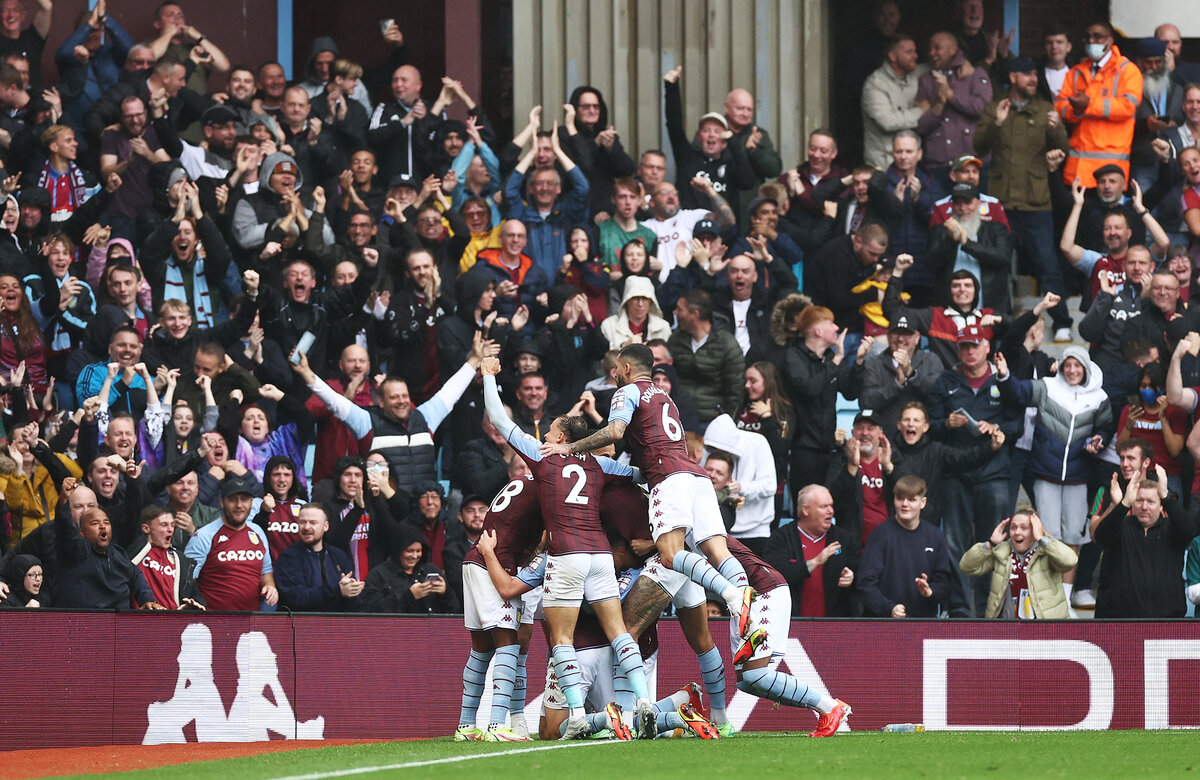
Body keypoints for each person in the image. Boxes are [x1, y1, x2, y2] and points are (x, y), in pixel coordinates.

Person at [480, 355, 656, 740]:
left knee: (562, 637)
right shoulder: (598, 463)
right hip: (600, 556)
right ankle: (643, 700)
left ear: (560, 437)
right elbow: (639, 474)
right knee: (619, 632)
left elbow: (498, 418)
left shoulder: (543, 457)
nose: (544, 437)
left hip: (568, 555)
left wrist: (489, 377)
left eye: (550, 432)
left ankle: (577, 712)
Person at [538, 344, 758, 650]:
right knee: (719, 553)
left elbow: (615, 432)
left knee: (670, 554)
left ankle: (733, 597)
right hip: (697, 477)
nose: (613, 375)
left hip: (669, 479)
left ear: (626, 368)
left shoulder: (627, 392)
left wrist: (570, 448)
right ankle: (748, 618)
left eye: (615, 369)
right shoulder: (666, 397)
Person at [293, 330, 486, 495]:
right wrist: (306, 373)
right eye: (394, 397)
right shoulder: (367, 422)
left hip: (423, 508)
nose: (401, 401)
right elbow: (335, 402)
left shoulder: (426, 417)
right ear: (381, 401)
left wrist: (475, 360)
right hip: (385, 512)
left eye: (404, 396)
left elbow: (451, 391)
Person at [994, 347, 1112, 607]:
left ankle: (1066, 601)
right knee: (1045, 537)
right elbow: (1018, 393)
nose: (1071, 370)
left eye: (1077, 366)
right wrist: (1004, 376)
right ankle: (1046, 599)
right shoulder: (1047, 387)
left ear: (1085, 368)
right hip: (1046, 472)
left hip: (1078, 475)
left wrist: (1099, 440)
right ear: (1061, 367)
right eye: (1067, 365)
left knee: (1072, 538)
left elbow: (1105, 426)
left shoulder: (1099, 396)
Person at [975, 56, 1071, 340]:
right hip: (1000, 202)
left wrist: (1056, 128)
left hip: (1036, 202)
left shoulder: (1044, 109)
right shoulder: (996, 108)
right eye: (1027, 75)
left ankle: (1062, 321)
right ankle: (998, 323)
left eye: (1034, 74)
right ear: (1013, 78)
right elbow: (979, 147)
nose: (1033, 79)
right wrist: (997, 123)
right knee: (997, 266)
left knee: (1047, 263)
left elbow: (1063, 149)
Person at [1093, 464, 1194, 618]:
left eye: (1151, 502)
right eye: (1139, 501)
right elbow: (1100, 536)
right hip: (1118, 622)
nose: (1144, 507)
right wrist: (1123, 504)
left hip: (1166, 621)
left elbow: (1188, 532)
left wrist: (1166, 497)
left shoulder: (1172, 528)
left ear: (1161, 506)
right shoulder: (1120, 526)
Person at [1054, 21, 1142, 187]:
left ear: (1109, 41)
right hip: (1077, 171)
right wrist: (1077, 111)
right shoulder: (1076, 72)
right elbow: (1059, 106)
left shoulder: (1127, 71)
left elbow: (1128, 106)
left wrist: (1088, 105)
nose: (1091, 41)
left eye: (1097, 37)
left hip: (1110, 173)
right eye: (1087, 38)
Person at [857, 475, 953, 618]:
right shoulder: (880, 534)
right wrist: (889, 608)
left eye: (912, 500)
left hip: (922, 625)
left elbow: (945, 585)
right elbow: (865, 585)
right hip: (882, 626)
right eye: (900, 498)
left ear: (923, 502)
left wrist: (930, 592)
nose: (905, 504)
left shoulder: (935, 536)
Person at [184, 473, 278, 611]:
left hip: (251, 622)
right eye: (233, 500)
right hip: (213, 622)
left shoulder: (257, 531)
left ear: (252, 502)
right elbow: (187, 580)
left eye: (244, 499)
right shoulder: (204, 536)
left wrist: (270, 586)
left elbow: (266, 571)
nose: (239, 505)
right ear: (222, 502)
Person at [960, 509, 1077, 619]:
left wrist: (1042, 538)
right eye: (1013, 527)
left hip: (1045, 630)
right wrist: (990, 544)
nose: (1017, 532)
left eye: (1024, 528)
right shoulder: (1001, 552)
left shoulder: (1046, 551)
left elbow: (1070, 561)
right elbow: (967, 567)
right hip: (1007, 630)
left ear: (1034, 530)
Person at [764, 484, 858, 617]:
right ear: (805, 510)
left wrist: (852, 577)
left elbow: (861, 577)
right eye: (823, 506)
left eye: (831, 505)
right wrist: (815, 562)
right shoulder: (781, 538)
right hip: (792, 624)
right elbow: (776, 577)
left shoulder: (844, 538)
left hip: (834, 626)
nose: (830, 511)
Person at [914, 31, 992, 180]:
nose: (932, 53)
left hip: (972, 164)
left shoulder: (975, 74)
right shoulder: (926, 80)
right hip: (939, 163)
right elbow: (920, 127)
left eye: (937, 48)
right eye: (930, 48)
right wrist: (940, 103)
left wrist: (950, 94)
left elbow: (982, 107)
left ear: (953, 50)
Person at [927, 183, 1015, 314]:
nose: (962, 208)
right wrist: (951, 240)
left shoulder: (996, 229)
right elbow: (930, 264)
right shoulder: (940, 230)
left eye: (968, 202)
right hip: (948, 313)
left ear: (979, 203)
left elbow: (1003, 257)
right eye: (957, 203)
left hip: (989, 310)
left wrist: (966, 243)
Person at [667, 289, 745, 424]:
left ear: (695, 314)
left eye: (680, 309)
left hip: (712, 420)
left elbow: (735, 392)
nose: (675, 313)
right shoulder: (675, 340)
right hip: (678, 417)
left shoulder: (727, 344)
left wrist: (726, 424)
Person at [701, 414, 775, 553]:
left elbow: (769, 486)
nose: (717, 453)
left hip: (756, 531)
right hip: (719, 530)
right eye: (712, 449)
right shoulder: (710, 446)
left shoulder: (758, 443)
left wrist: (742, 487)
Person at [859, 315, 943, 433]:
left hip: (925, 440)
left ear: (917, 337)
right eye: (896, 333)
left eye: (906, 334)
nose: (901, 339)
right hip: (887, 437)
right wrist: (897, 384)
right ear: (888, 336)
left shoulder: (931, 360)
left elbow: (939, 395)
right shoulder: (874, 363)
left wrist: (911, 374)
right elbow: (866, 402)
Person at [274, 503, 362, 612]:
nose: (306, 527)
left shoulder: (339, 556)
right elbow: (295, 598)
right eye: (302, 522)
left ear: (326, 526)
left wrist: (352, 590)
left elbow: (352, 601)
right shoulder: (288, 557)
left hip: (337, 624)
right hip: (302, 624)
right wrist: (337, 590)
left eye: (313, 523)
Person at [861, 34, 928, 171]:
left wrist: (963, 64)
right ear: (892, 56)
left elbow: (937, 65)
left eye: (914, 51)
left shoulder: (913, 74)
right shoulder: (875, 85)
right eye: (909, 52)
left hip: (910, 164)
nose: (915, 56)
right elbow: (888, 121)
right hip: (882, 164)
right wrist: (921, 110)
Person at [361, 525, 458, 614]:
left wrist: (445, 593)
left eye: (418, 551)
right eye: (409, 551)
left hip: (433, 630)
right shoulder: (378, 575)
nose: (414, 556)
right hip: (396, 631)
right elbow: (370, 610)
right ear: (398, 550)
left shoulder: (431, 570)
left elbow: (455, 609)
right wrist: (409, 596)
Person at [128, 503, 205, 610]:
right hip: (139, 620)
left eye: (172, 525)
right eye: (164, 525)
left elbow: (196, 595)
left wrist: (191, 605)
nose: (170, 529)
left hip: (173, 622)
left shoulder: (181, 560)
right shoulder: (133, 549)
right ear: (146, 528)